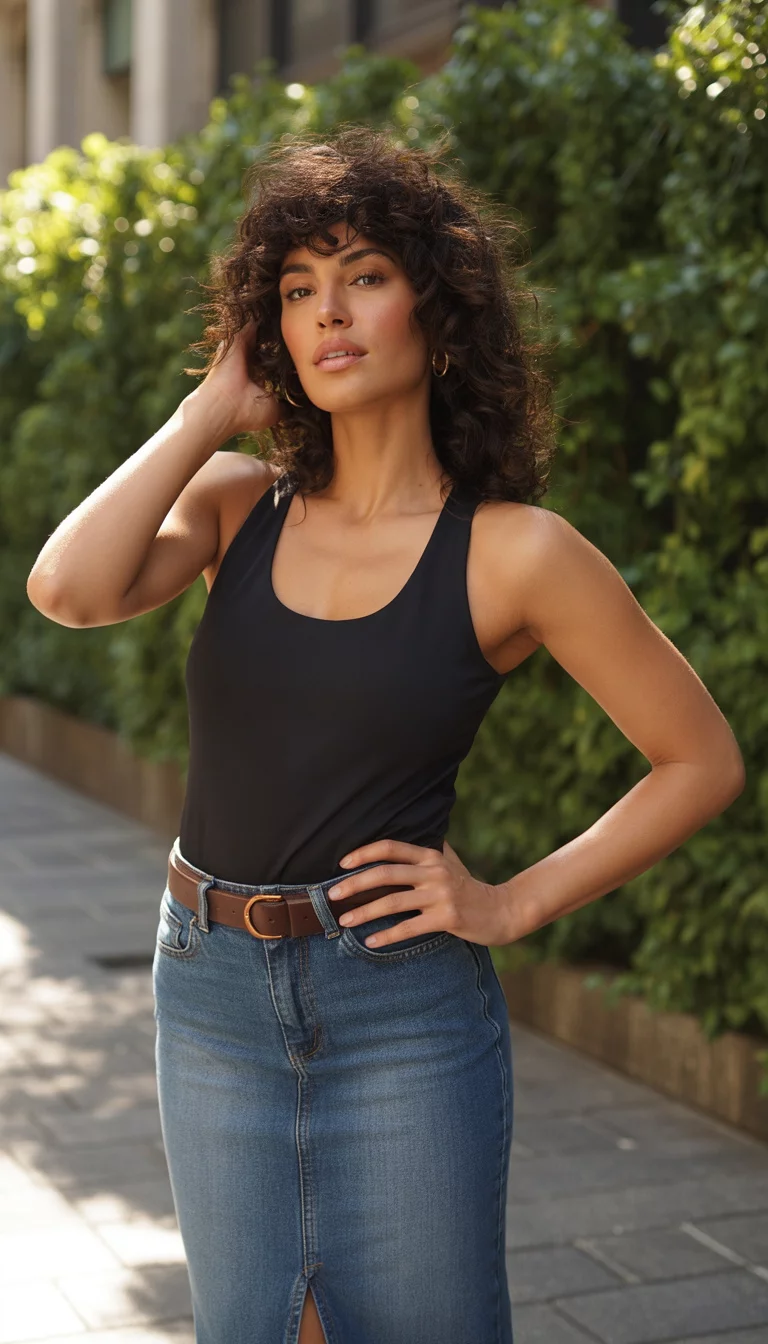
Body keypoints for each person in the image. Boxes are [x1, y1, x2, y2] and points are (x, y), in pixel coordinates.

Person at [26, 127, 745, 1344]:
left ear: (437, 306)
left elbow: (702, 760)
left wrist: (512, 903)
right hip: (207, 993)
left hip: (398, 1007)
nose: (328, 313)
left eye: (362, 273)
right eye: (296, 291)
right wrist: (210, 408)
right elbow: (69, 588)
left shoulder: (516, 551)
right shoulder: (236, 507)